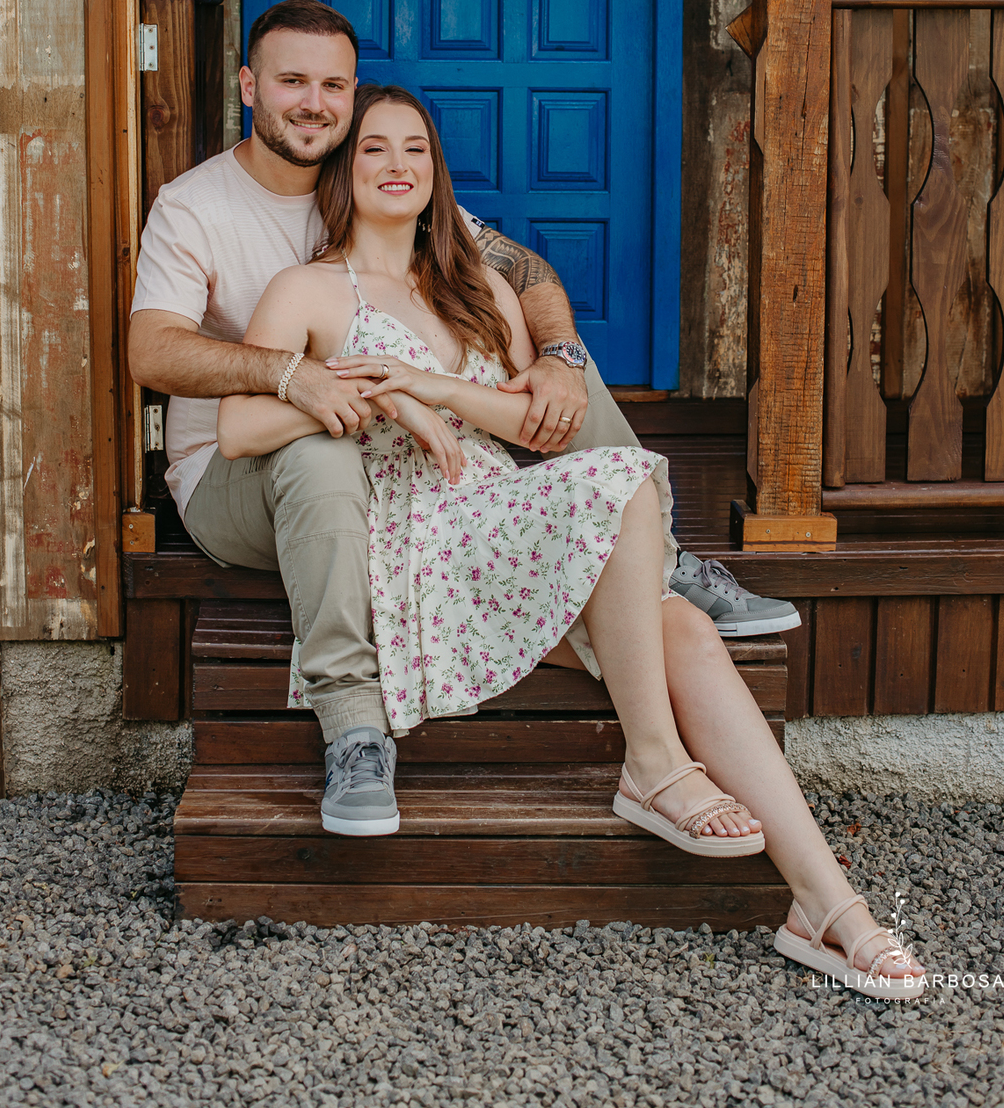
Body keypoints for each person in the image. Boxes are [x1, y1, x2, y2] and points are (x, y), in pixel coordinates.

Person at [217, 84, 926, 999]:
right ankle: (655, 764)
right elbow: (238, 429)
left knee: (687, 633)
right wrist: (379, 393)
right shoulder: (307, 290)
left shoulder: (479, 292)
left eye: (416, 152)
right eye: (373, 151)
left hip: (504, 519)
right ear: (344, 176)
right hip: (410, 536)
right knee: (624, 478)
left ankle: (831, 912)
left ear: (438, 178)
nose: (397, 166)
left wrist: (427, 388)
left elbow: (532, 422)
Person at [127, 1, 796, 796]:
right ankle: (353, 722)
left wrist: (556, 354)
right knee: (321, 447)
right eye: (291, 82)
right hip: (237, 474)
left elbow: (520, 271)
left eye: (332, 84)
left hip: (399, 465)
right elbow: (154, 350)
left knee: (561, 377)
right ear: (249, 86)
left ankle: (661, 558)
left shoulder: (370, 173)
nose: (313, 102)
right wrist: (292, 375)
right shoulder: (197, 206)